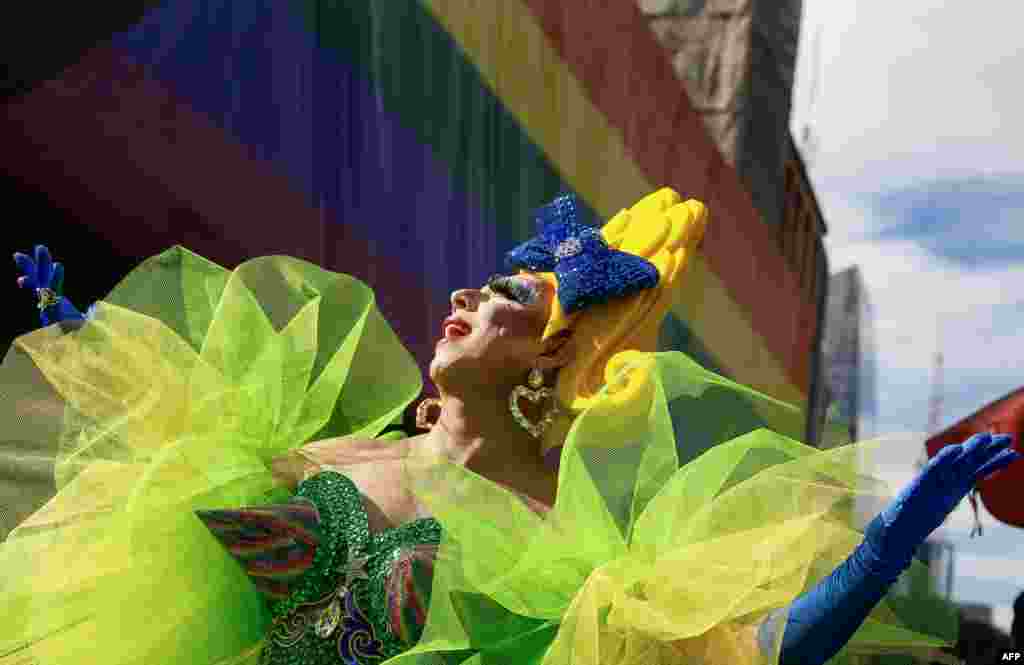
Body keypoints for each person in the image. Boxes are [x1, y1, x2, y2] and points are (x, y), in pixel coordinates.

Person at [3, 189, 1019, 665]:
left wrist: (882, 548)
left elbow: (737, 658)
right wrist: (93, 339)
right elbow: (172, 451)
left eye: (503, 292)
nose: (459, 291)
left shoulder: (568, 538)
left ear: (546, 353)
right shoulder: (334, 449)